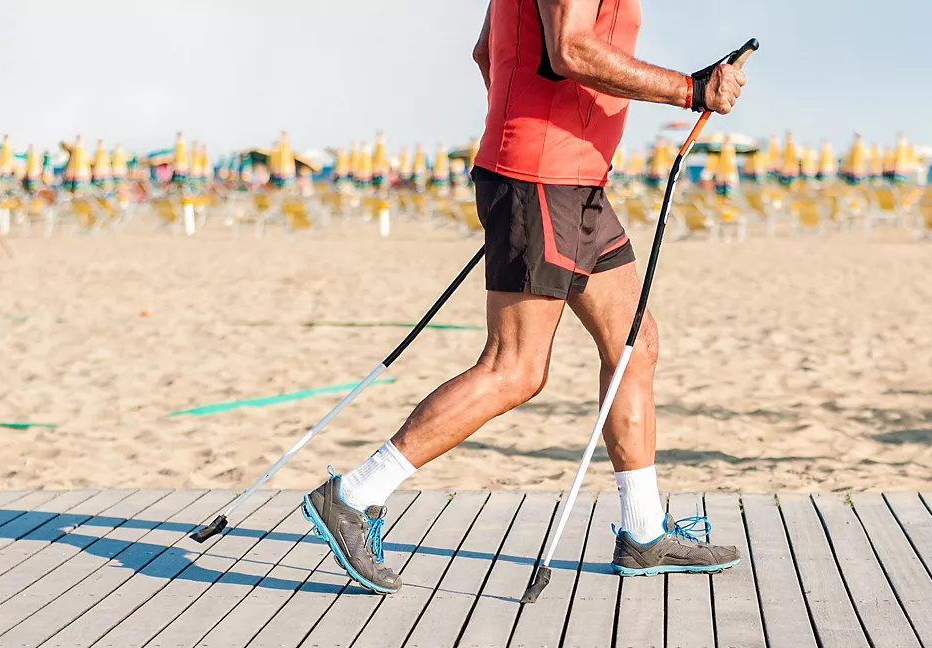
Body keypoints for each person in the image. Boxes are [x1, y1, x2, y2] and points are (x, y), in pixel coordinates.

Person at [302, 0, 748, 594]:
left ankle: (643, 533)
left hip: (573, 180)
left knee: (634, 346)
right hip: (542, 180)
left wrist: (518, 132)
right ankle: (354, 495)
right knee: (514, 368)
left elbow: (488, 51)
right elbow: (573, 49)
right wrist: (688, 90)